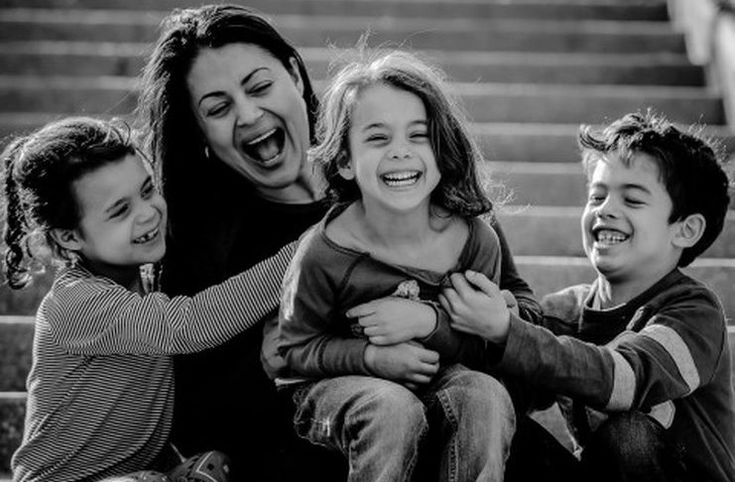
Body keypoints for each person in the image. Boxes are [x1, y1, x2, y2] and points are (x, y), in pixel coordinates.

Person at [135, 5, 540, 480]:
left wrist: (491, 320)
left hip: (466, 424)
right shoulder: (212, 245)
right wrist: (272, 363)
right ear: (200, 130)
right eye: (218, 108)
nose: (248, 114)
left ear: (293, 73)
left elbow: (530, 327)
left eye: (259, 86)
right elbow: (195, 414)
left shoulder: (402, 173)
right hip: (327, 454)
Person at [439, 111, 735, 482]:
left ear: (686, 229)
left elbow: (625, 380)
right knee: (490, 415)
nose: (605, 210)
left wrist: (508, 332)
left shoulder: (694, 313)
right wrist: (492, 328)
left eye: (633, 200)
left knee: (629, 434)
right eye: (597, 196)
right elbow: (517, 380)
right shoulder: (567, 310)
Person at [266, 50, 519, 482]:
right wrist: (370, 357)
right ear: (345, 161)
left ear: (442, 149)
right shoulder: (324, 252)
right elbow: (291, 352)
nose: (400, 153)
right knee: (391, 407)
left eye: (418, 136)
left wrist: (427, 321)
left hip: (441, 379)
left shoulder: (476, 240)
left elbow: (485, 349)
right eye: (378, 139)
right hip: (335, 390)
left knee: (485, 395)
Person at [1, 117, 297, 482]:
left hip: (136, 475)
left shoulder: (146, 286)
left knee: (211, 466)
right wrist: (301, 255)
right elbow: (191, 324)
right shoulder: (75, 303)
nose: (148, 212)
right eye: (120, 210)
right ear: (68, 237)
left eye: (147, 190)